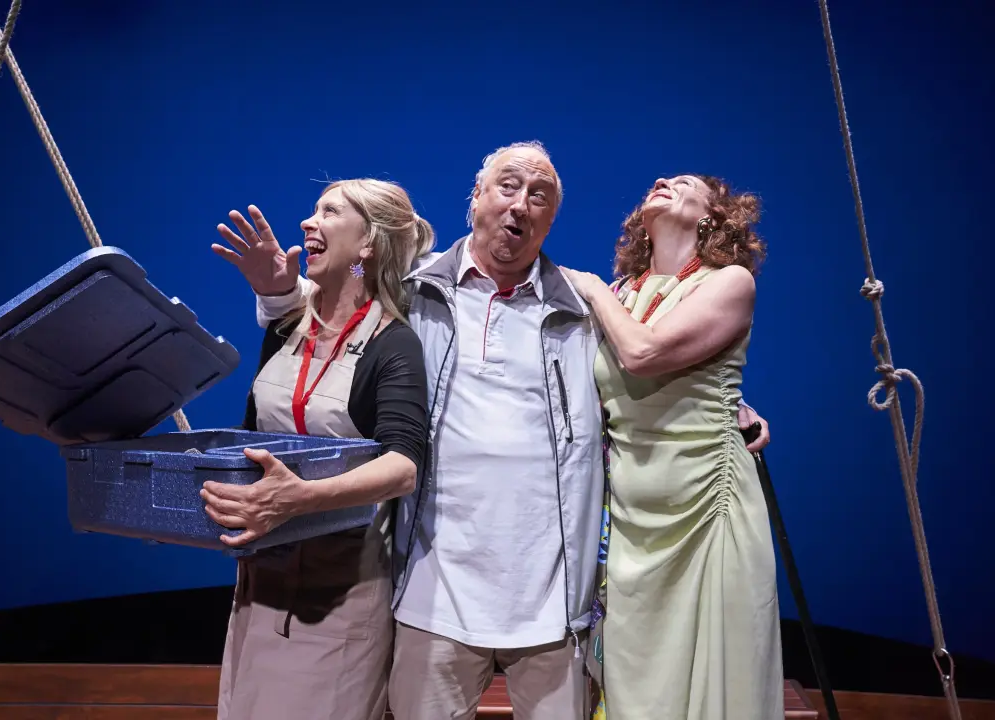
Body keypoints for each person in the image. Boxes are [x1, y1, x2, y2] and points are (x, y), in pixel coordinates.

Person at [251, 142, 772, 720]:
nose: (521, 204)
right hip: (434, 598)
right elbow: (348, 287)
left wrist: (731, 407)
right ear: (475, 198)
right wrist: (284, 290)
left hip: (553, 608)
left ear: (550, 221)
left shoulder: (586, 308)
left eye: (539, 196)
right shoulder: (415, 292)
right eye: (508, 187)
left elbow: (649, 375)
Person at [202, 179, 435, 720]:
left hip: (340, 598)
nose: (309, 222)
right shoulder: (286, 327)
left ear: (368, 244)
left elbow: (403, 467)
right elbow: (251, 436)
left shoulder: (393, 344)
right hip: (259, 587)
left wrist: (300, 498)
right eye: (313, 210)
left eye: (330, 212)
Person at [561, 173, 784, 720]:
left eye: (683, 183)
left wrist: (590, 288)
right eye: (660, 181)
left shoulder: (728, 281)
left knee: (713, 676)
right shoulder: (623, 292)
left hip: (705, 505)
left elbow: (644, 354)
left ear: (713, 216)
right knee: (638, 678)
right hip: (632, 515)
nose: (661, 181)